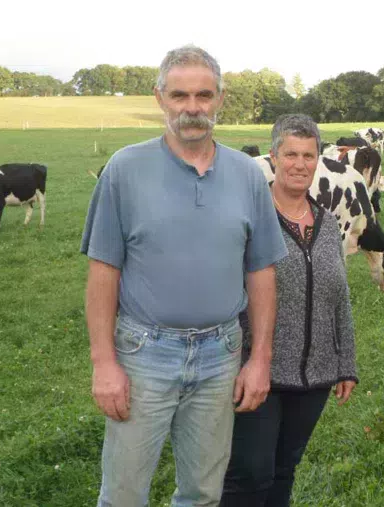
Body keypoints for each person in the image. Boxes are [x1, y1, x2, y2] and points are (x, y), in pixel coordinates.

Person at [80, 45, 288, 507]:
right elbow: (103, 273)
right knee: (123, 494)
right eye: (179, 95)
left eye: (203, 95)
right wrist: (104, 364)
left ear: (220, 99)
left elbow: (261, 271)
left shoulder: (249, 175)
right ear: (159, 98)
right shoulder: (124, 170)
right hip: (143, 353)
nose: (192, 108)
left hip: (220, 355)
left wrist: (259, 360)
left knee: (202, 493)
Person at [221, 114, 358, 507]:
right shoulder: (248, 219)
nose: (300, 164)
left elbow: (339, 295)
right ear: (273, 156)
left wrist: (345, 362)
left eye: (309, 155)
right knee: (249, 473)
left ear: (319, 160)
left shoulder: (329, 224)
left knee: (285, 470)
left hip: (315, 374)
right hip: (257, 371)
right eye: (291, 154)